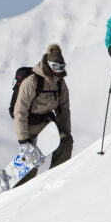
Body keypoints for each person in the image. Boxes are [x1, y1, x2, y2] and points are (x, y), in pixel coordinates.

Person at [11, 43, 73, 186]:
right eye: (56, 67)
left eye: (62, 68)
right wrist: (23, 140)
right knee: (31, 163)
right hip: (29, 129)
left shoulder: (60, 84)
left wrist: (65, 132)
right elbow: (20, 110)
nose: (59, 71)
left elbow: (64, 110)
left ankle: (56, 177)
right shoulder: (32, 81)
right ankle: (17, 191)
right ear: (49, 65)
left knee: (66, 142)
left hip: (47, 127)